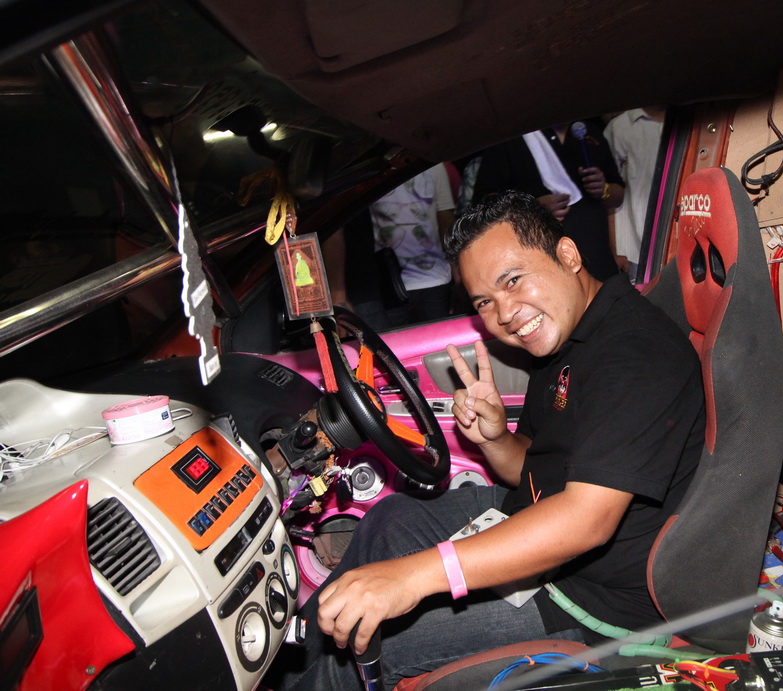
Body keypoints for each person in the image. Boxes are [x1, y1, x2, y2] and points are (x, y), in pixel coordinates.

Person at [267, 191, 703, 690]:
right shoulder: (567, 334)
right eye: (484, 303)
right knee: (389, 520)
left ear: (567, 255)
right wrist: (495, 440)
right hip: (536, 521)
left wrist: (413, 578)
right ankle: (291, 665)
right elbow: (535, 469)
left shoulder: (635, 354)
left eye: (512, 281)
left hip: (591, 597)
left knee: (365, 647)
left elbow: (585, 522)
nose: (505, 314)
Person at [473, 122, 626, 282]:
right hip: (546, 261)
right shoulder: (509, 139)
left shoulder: (586, 130)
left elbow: (618, 196)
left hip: (598, 254)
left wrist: (604, 189)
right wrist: (533, 207)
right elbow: (484, 203)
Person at [370, 163, 456, 327]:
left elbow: (445, 217)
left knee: (438, 341)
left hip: (435, 280)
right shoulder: (373, 168)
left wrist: (457, 270)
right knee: (396, 342)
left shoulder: (433, 165)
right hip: (390, 283)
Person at [604, 107, 666, 281]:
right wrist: (616, 250)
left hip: (682, 239)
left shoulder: (692, 118)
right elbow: (610, 196)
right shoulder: (620, 127)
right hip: (635, 249)